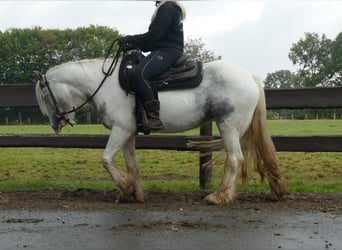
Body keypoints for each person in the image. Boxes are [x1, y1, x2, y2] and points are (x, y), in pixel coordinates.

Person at [118, 1, 186, 131]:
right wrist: (135, 45)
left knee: (139, 74)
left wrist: (129, 39)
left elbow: (155, 35)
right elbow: (153, 41)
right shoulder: (170, 7)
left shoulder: (168, 7)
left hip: (167, 50)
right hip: (165, 49)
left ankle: (153, 117)